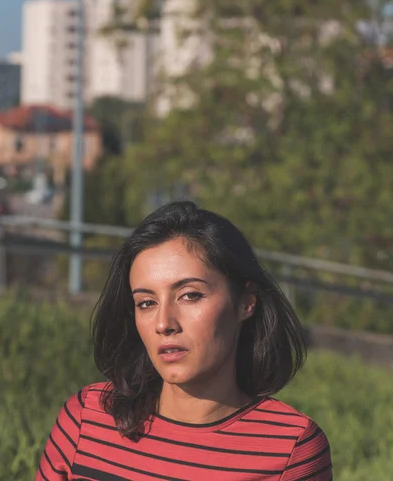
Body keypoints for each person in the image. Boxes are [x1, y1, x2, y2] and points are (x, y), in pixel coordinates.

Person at [36, 201, 332, 480]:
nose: (164, 323)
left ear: (245, 303)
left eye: (190, 295)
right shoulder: (86, 417)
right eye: (146, 303)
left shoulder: (290, 448)